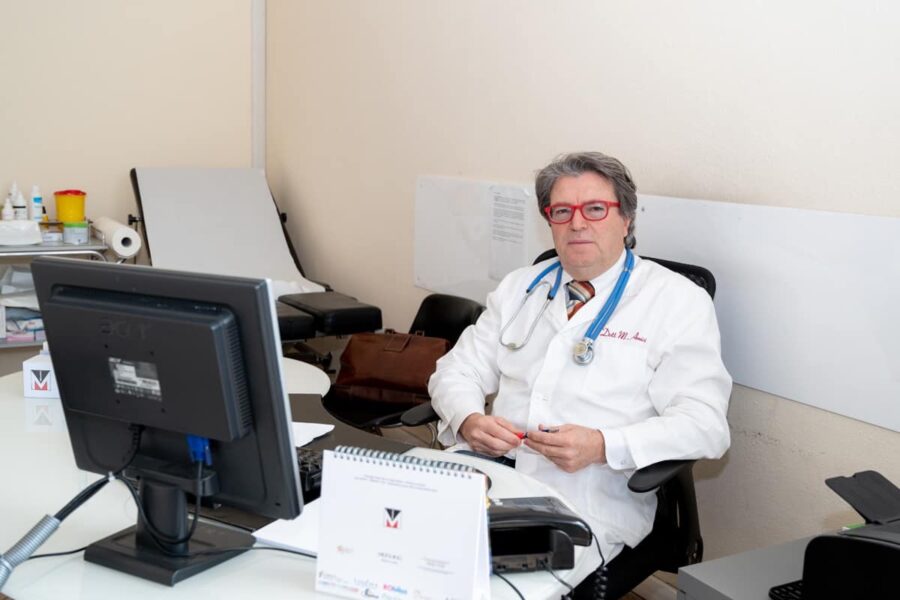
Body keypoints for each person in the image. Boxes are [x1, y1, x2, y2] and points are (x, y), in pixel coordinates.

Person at [428, 151, 731, 591]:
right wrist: (468, 419)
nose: (577, 223)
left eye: (595, 209)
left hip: (581, 496)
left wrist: (603, 445)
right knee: (398, 540)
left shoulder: (677, 301)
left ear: (626, 219)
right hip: (487, 470)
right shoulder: (521, 286)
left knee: (477, 578)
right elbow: (456, 371)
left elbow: (706, 426)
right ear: (549, 221)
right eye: (562, 211)